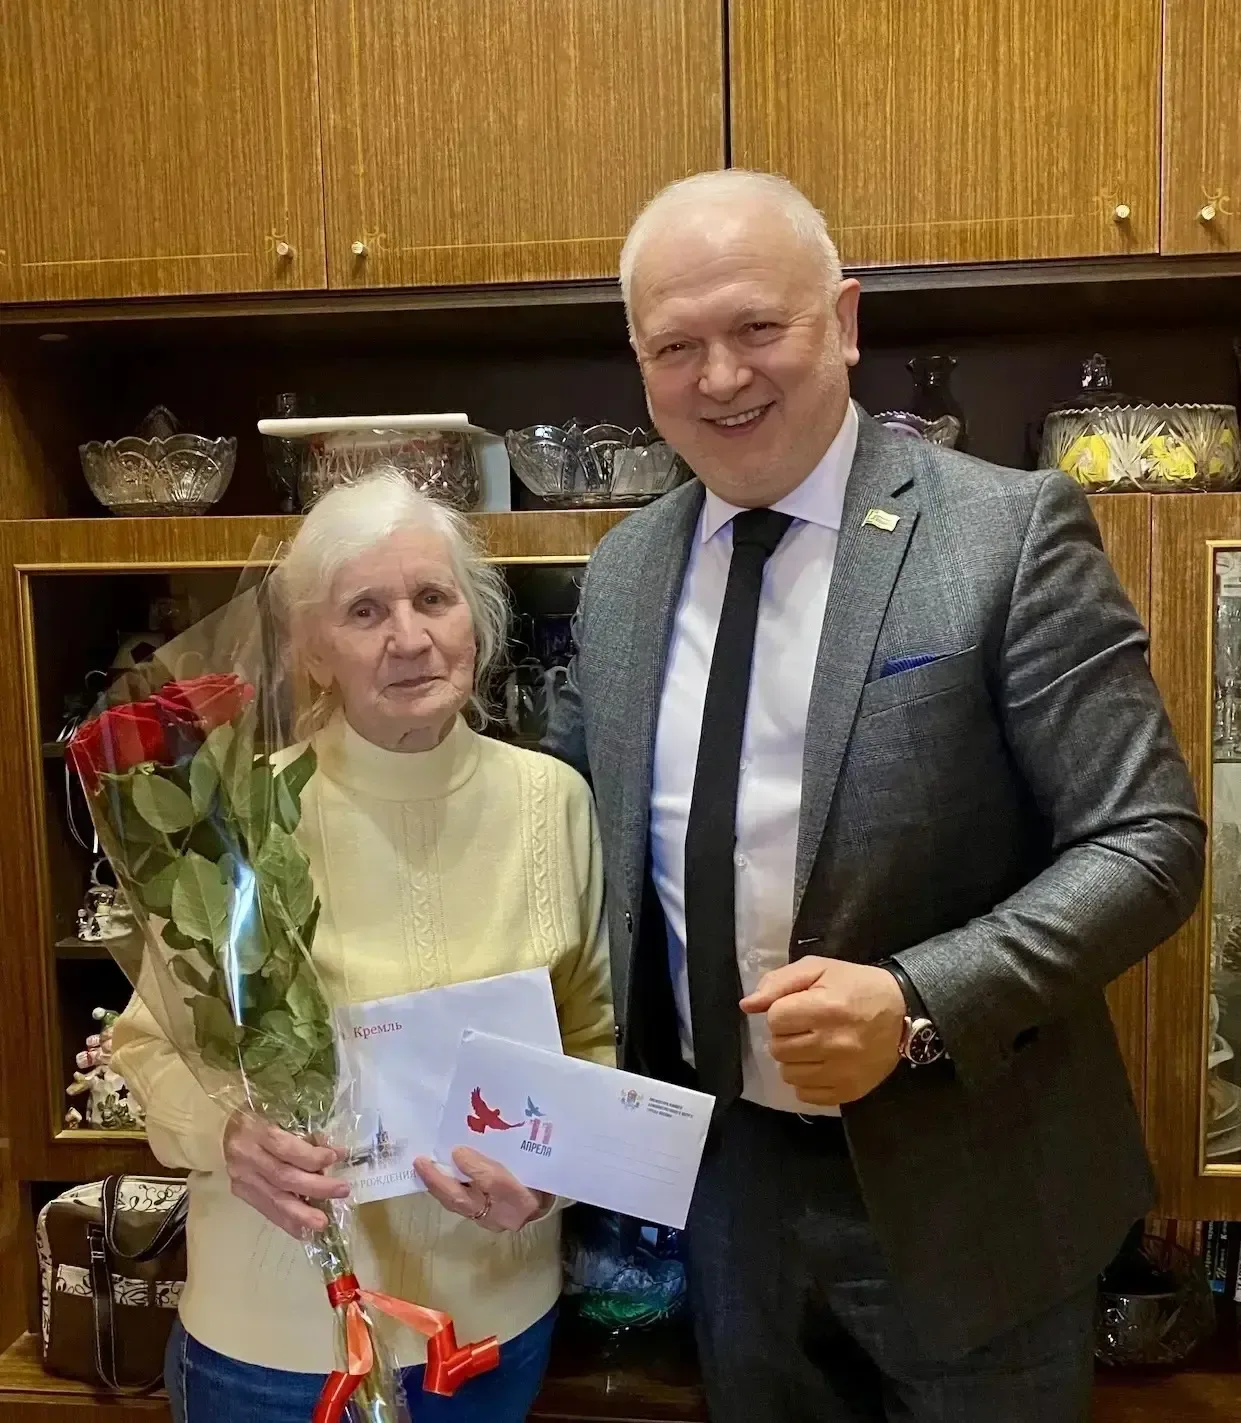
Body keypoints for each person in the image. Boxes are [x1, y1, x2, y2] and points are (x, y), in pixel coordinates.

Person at [543, 169, 1205, 1423]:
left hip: (975, 1194)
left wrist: (911, 1004)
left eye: (757, 326)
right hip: (728, 1198)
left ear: (843, 321)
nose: (720, 376)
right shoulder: (622, 573)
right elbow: (571, 848)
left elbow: (1147, 841)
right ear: (638, 365)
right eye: (674, 346)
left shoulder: (1006, 531)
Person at [112, 470, 614, 1423]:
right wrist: (228, 1137)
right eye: (364, 610)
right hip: (278, 1350)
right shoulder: (239, 817)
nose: (409, 638)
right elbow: (146, 1048)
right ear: (312, 648)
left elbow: (590, 1035)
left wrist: (552, 1178)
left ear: (476, 620)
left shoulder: (555, 802)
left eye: (433, 598)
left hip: (492, 1333)